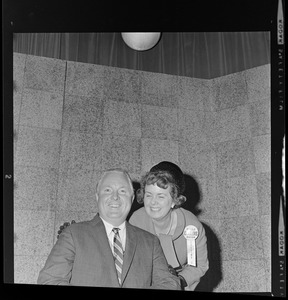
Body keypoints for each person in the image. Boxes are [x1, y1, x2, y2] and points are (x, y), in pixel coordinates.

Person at [37, 168, 181, 289]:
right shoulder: (73, 234)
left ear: (131, 199)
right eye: (107, 190)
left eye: (123, 191)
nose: (115, 197)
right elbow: (50, 280)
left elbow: (169, 284)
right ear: (97, 197)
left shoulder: (151, 242)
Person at [129, 161, 209, 291]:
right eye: (149, 195)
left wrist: (177, 282)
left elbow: (198, 266)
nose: (153, 202)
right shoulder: (136, 220)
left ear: (174, 200)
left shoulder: (192, 226)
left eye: (160, 196)